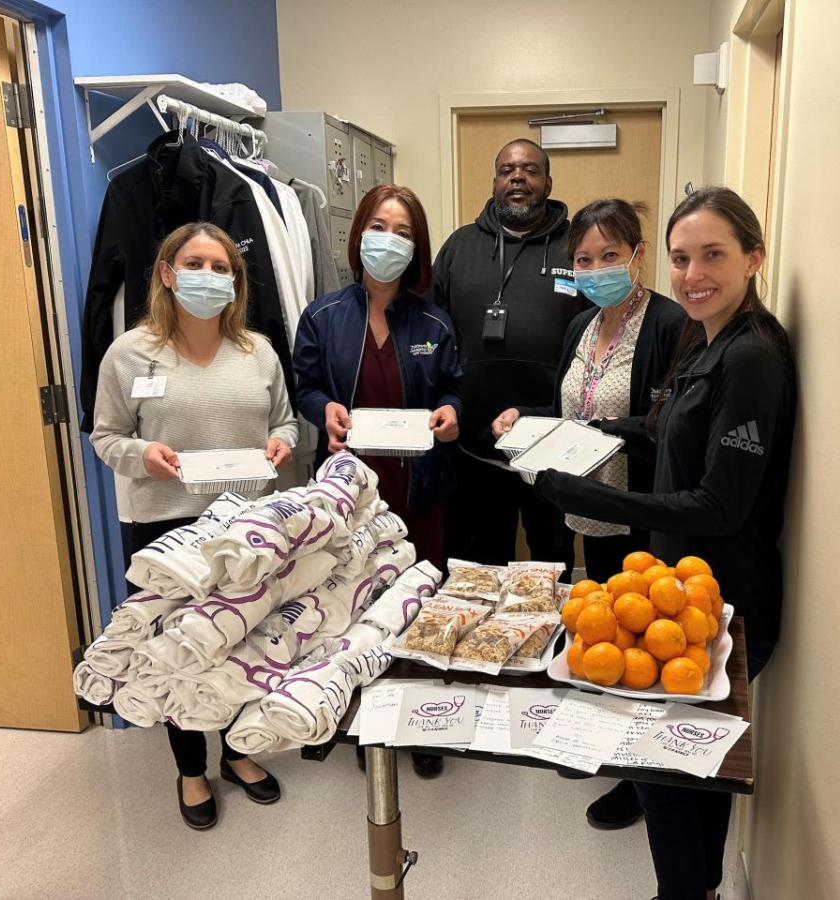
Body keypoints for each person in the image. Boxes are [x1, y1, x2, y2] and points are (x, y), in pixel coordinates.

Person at [534, 187, 797, 900]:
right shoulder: (709, 339)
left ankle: (686, 892)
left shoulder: (752, 360)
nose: (693, 274)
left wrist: (588, 494)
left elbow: (719, 503)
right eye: (684, 258)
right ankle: (695, 890)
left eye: (713, 255)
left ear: (754, 258)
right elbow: (667, 426)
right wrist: (598, 435)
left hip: (721, 598)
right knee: (681, 771)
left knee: (668, 775)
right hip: (682, 588)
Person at [91, 221, 298, 831]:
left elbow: (286, 423)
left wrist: (282, 446)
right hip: (166, 527)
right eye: (196, 264)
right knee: (178, 654)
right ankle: (190, 769)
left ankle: (237, 754)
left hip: (248, 526)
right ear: (166, 272)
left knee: (248, 643)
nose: (210, 277)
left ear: (236, 281)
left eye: (222, 267)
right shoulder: (130, 352)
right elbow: (106, 436)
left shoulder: (256, 351)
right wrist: (143, 456)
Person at [492, 197, 686, 829]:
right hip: (587, 502)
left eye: (609, 255)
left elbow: (664, 426)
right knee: (597, 623)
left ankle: (636, 776)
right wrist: (528, 421)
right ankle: (604, 742)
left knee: (638, 636)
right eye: (584, 259)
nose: (597, 267)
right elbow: (565, 409)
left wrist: (603, 429)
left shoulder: (667, 324)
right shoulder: (580, 325)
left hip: (634, 505)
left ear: (637, 254)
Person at [292, 183, 463, 779]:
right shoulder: (322, 316)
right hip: (353, 495)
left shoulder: (435, 320)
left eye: (403, 231)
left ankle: (422, 722)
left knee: (419, 603)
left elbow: (451, 388)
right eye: (379, 227)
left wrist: (451, 413)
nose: (388, 240)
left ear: (417, 249)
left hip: (420, 489)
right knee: (357, 605)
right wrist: (323, 412)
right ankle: (367, 721)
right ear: (358, 233)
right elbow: (306, 386)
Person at [433, 138, 586, 573]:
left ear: (548, 182)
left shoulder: (576, 248)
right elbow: (434, 334)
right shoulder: (459, 247)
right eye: (507, 170)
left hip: (552, 445)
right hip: (474, 447)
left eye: (530, 170)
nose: (517, 177)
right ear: (496, 181)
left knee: (551, 564)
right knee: (478, 567)